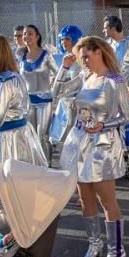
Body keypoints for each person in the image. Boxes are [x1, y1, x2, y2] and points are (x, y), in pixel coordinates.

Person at [56, 36, 129, 257]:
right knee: (84, 198)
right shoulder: (84, 77)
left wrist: (103, 126)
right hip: (79, 142)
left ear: (100, 52)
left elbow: (126, 116)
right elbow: (56, 91)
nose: (84, 61)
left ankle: (116, 251)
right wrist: (64, 67)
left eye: (87, 56)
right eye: (81, 57)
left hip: (103, 146)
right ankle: (94, 243)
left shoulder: (115, 80)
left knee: (106, 199)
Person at [0, 33, 48, 232]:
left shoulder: (2, 81)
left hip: (5, 143)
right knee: (15, 197)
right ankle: (21, 238)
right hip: (19, 138)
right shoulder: (14, 76)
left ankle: (15, 241)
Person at [18, 24, 59, 158]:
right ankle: (35, 164)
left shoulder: (46, 55)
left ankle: (47, 165)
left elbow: (59, 73)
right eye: (24, 34)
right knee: (31, 135)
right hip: (28, 102)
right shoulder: (21, 57)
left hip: (44, 100)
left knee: (42, 135)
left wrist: (54, 86)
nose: (26, 36)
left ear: (37, 36)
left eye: (30, 33)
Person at [48, 25, 83, 161]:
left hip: (77, 102)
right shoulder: (57, 58)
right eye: (62, 39)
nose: (64, 42)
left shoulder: (81, 58)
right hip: (62, 101)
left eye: (67, 39)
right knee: (59, 134)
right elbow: (54, 81)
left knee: (75, 133)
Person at [103, 15, 129, 79]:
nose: (103, 30)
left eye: (105, 28)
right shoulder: (106, 45)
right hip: (113, 84)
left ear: (113, 28)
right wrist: (117, 81)